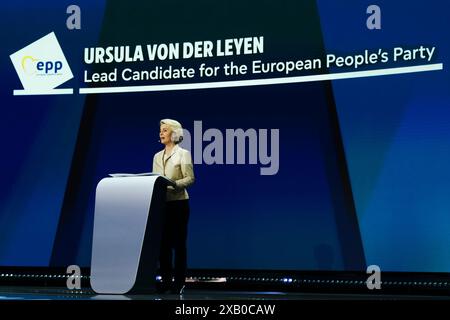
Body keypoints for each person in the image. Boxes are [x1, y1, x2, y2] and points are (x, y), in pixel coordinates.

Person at [152, 119, 195, 294]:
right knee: (163, 245)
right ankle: (165, 281)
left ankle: (179, 282)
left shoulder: (183, 154)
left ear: (174, 134)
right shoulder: (156, 156)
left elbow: (190, 178)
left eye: (165, 130)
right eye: (160, 130)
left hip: (179, 204)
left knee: (179, 244)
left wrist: (173, 184)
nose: (161, 133)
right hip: (161, 205)